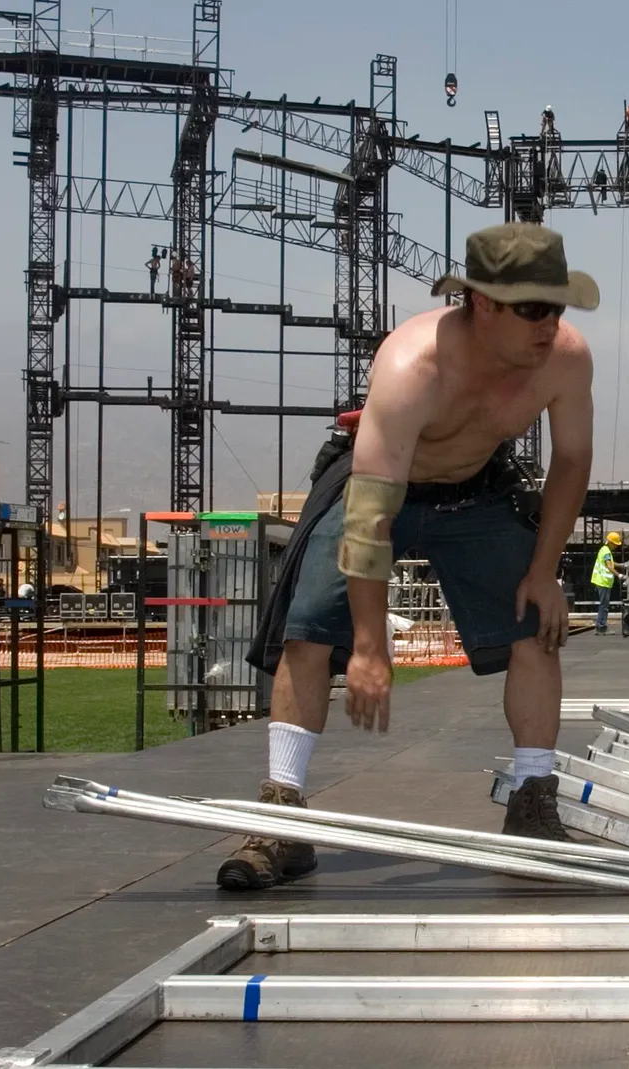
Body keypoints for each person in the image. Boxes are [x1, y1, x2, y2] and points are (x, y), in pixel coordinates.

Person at [221, 222, 598, 890]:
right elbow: (370, 516)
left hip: (476, 490)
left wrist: (544, 571)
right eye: (534, 309)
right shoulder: (410, 365)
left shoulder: (565, 359)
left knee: (536, 627)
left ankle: (534, 800)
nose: (550, 324)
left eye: (558, 307)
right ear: (483, 304)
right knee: (306, 634)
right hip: (378, 486)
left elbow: (571, 460)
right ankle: (280, 813)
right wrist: (369, 644)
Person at [591, 531, 621, 635]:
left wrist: (621, 565)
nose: (616, 547)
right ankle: (601, 627)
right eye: (615, 544)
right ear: (610, 542)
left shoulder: (604, 550)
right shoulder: (607, 552)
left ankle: (600, 626)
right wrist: (619, 575)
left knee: (604, 604)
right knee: (604, 605)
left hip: (602, 581)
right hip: (603, 581)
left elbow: (609, 563)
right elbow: (609, 566)